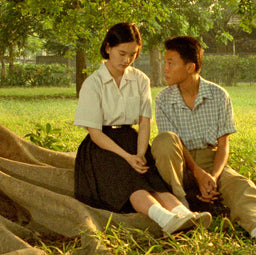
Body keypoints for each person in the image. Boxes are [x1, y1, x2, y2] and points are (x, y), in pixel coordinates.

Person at [151, 36, 256, 249]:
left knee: (242, 185)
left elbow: (223, 144)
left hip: (210, 161)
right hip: (177, 164)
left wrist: (212, 178)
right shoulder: (163, 99)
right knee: (165, 141)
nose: (165, 69)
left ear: (190, 67)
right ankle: (183, 211)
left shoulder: (218, 95)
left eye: (170, 63)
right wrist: (197, 173)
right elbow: (173, 143)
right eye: (164, 62)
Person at [73, 23, 211, 236]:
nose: (126, 60)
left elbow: (144, 122)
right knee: (131, 181)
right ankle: (165, 219)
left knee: (153, 179)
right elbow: (95, 133)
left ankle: (185, 214)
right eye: (121, 53)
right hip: (102, 147)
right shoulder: (93, 83)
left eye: (132, 54)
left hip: (131, 139)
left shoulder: (140, 80)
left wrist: (138, 153)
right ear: (108, 47)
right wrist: (128, 157)